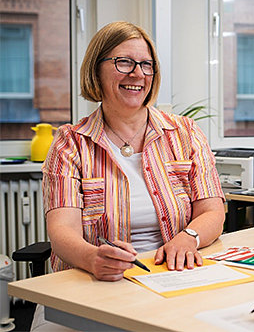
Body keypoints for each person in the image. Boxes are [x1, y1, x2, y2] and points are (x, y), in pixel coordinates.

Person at [32, 21, 225, 331]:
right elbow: (62, 231)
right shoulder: (70, 143)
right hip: (87, 283)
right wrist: (93, 258)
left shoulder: (186, 134)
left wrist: (189, 237)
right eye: (124, 62)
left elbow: (212, 211)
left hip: (170, 280)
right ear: (97, 71)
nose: (137, 73)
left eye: (146, 65)